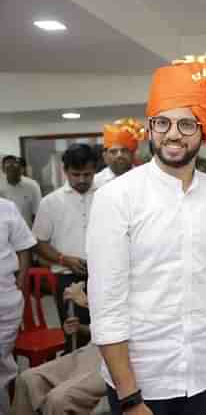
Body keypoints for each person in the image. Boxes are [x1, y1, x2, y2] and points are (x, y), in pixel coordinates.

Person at [87, 52, 206, 415]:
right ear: (150, 129)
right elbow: (105, 304)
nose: (173, 134)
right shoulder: (116, 197)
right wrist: (130, 397)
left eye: (186, 125)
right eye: (162, 123)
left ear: (204, 132)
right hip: (145, 380)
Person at [32, 143, 97, 353]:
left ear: (95, 169)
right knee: (74, 336)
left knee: (106, 333)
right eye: (75, 174)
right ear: (65, 171)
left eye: (87, 174)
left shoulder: (108, 196)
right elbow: (38, 243)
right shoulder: (50, 202)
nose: (82, 180)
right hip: (69, 280)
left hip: (105, 277)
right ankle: (73, 379)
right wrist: (63, 259)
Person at [13, 283, 107, 415]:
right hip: (94, 349)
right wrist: (80, 328)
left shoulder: (140, 282)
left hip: (122, 358)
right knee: (26, 380)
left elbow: (131, 325)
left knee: (58, 400)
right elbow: (105, 328)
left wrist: (86, 302)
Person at [0, 198, 35, 415]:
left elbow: (24, 247)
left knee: (3, 360)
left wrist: (21, 282)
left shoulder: (6, 207)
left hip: (6, 302)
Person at [93, 118, 144, 188]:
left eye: (124, 150)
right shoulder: (95, 182)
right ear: (105, 156)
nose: (119, 155)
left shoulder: (144, 178)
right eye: (113, 152)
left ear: (132, 153)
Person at [0, 155, 42, 227]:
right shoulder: (1, 186)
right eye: (8, 165)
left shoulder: (32, 186)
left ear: (22, 169)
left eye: (14, 164)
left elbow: (37, 214)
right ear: (3, 169)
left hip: (26, 232)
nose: (11, 167)